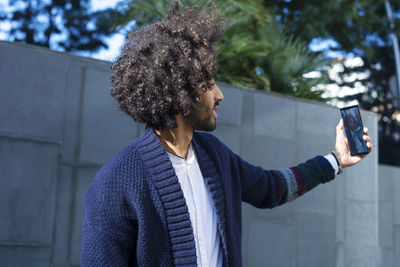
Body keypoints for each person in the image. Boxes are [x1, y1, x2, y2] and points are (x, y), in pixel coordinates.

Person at [80, 1, 372, 266]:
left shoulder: (215, 156)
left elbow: (272, 188)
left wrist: (336, 160)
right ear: (176, 95)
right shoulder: (115, 183)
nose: (219, 94)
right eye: (208, 85)